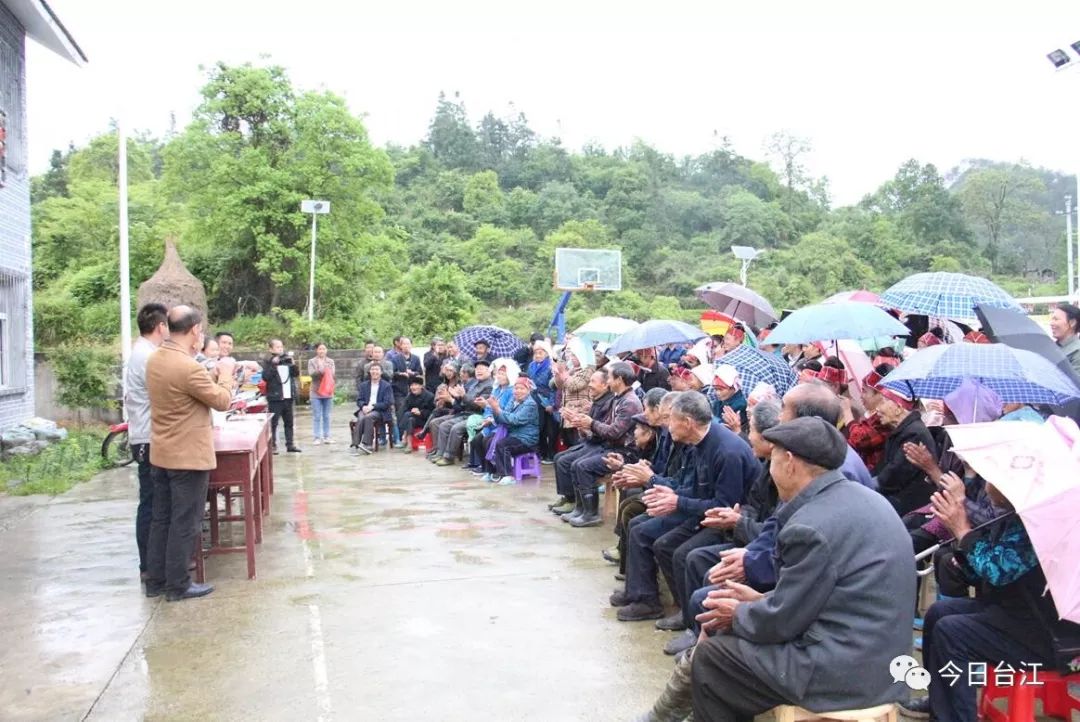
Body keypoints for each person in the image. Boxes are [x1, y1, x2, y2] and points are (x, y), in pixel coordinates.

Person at [689, 416, 916, 722]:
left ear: (790, 463)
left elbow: (783, 622)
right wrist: (757, 603)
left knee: (713, 659)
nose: (769, 468)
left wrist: (740, 613)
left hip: (845, 672)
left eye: (772, 460)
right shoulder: (867, 499)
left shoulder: (810, 527)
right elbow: (818, 599)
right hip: (885, 661)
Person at [911, 483, 1074, 722]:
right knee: (938, 613)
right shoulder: (1015, 518)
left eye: (992, 481)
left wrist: (963, 531)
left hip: (1052, 636)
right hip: (1019, 616)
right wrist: (962, 552)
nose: (986, 486)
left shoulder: (1042, 526)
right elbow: (983, 572)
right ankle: (939, 703)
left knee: (952, 632)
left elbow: (998, 572)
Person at [610, 392, 758, 622]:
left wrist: (675, 500)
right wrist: (669, 494)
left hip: (730, 523)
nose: (668, 427)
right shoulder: (697, 443)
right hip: (704, 512)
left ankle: (689, 615)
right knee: (645, 530)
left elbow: (724, 507)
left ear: (687, 423)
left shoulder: (727, 451)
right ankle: (649, 599)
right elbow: (693, 487)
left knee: (677, 551)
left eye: (671, 420)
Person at [144, 306, 236, 602]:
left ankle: (156, 580)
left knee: (162, 519)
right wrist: (225, 374)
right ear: (195, 330)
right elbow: (222, 401)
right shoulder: (188, 367)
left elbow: (182, 389)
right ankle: (178, 585)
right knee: (185, 521)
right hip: (187, 457)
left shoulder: (157, 358)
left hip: (162, 452)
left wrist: (207, 373)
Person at [561, 362, 644, 527]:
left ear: (619, 380)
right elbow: (602, 427)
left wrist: (590, 423)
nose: (608, 382)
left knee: (583, 466)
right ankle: (581, 508)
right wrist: (582, 424)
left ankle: (591, 514)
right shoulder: (618, 399)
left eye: (610, 378)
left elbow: (614, 432)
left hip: (625, 453)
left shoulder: (630, 403)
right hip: (610, 447)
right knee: (575, 463)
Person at [124, 302, 168, 583]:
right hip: (147, 438)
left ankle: (153, 564)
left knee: (154, 503)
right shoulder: (147, 356)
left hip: (149, 435)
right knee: (151, 504)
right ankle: (150, 567)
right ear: (160, 326)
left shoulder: (146, 352)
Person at [549, 369, 614, 514]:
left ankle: (576, 503)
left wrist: (588, 425)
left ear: (605, 385)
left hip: (601, 445)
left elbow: (606, 433)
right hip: (592, 442)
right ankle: (568, 497)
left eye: (593, 382)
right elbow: (590, 433)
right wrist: (579, 424)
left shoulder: (609, 403)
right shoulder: (597, 401)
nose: (589, 385)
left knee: (569, 462)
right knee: (559, 457)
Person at [874, 385, 938, 514]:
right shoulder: (903, 431)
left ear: (898, 407)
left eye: (882, 402)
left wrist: (870, 485)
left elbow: (893, 477)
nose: (877, 409)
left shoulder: (914, 434)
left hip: (913, 504)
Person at [481, 376, 541, 484]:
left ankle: (507, 475)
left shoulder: (530, 404)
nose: (518, 391)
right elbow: (502, 418)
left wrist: (498, 409)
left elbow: (515, 420)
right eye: (516, 388)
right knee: (488, 440)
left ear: (528, 391)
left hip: (526, 439)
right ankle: (491, 472)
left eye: (522, 389)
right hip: (513, 435)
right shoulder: (513, 400)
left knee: (503, 444)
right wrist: (495, 409)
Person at [432, 359, 493, 465]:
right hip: (465, 413)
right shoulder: (475, 384)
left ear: (489, 371)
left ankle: (449, 457)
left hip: (477, 416)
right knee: (442, 424)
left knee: (456, 428)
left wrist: (463, 396)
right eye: (477, 369)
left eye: (482, 369)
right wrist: (457, 397)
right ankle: (440, 453)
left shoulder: (489, 386)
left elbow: (477, 405)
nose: (478, 371)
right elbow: (463, 403)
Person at [553, 336, 595, 448]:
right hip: (568, 414)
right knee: (569, 444)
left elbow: (574, 386)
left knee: (578, 443)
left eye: (576, 355)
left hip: (580, 414)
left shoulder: (588, 369)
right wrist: (557, 374)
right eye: (572, 355)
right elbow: (560, 386)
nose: (573, 358)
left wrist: (564, 375)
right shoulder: (572, 370)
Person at [261, 339, 301, 454]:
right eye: (277, 347)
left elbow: (296, 374)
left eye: (281, 347)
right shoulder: (268, 362)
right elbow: (265, 377)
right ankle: (273, 446)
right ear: (271, 349)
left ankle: (290, 444)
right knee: (274, 423)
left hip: (288, 396)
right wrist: (274, 364)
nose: (280, 349)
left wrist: (293, 364)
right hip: (275, 397)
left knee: (289, 422)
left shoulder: (286, 360)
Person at [353, 362, 394, 454]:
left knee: (368, 417)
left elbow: (387, 402)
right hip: (365, 408)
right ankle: (356, 443)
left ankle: (367, 444)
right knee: (361, 416)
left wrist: (372, 406)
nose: (374, 372)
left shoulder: (386, 386)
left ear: (381, 372)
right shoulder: (364, 385)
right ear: (369, 372)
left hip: (379, 410)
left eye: (377, 370)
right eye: (373, 370)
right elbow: (359, 400)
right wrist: (363, 406)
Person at [528, 341, 559, 463]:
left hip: (548, 398)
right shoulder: (531, 366)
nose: (537, 355)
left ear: (546, 353)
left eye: (540, 352)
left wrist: (551, 403)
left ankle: (551, 454)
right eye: (535, 352)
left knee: (551, 429)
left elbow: (554, 386)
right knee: (539, 427)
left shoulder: (551, 366)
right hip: (535, 399)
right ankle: (542, 452)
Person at [390, 337, 422, 448]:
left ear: (411, 346)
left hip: (413, 390)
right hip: (400, 390)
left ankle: (409, 437)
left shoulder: (416, 359)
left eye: (408, 344)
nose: (406, 346)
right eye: (404, 344)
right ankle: (400, 437)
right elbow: (392, 373)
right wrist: (401, 374)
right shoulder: (395, 359)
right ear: (400, 346)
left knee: (411, 413)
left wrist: (412, 373)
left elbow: (420, 372)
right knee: (401, 412)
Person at [307, 342, 336, 445]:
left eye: (324, 349)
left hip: (328, 391)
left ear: (326, 350)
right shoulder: (311, 361)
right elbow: (312, 374)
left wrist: (325, 369)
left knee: (327, 415)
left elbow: (332, 374)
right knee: (317, 415)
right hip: (316, 392)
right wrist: (320, 370)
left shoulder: (330, 361)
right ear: (316, 350)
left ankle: (327, 436)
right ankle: (316, 437)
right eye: (320, 349)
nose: (322, 351)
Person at [398, 378, 435, 452]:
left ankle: (404, 437)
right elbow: (403, 409)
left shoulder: (429, 396)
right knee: (409, 419)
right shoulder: (409, 396)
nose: (413, 387)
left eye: (416, 385)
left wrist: (420, 412)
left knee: (408, 416)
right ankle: (409, 444)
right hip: (412, 419)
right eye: (411, 385)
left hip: (425, 420)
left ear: (421, 386)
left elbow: (432, 412)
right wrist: (412, 411)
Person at [710, 365, 748, 437]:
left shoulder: (741, 405)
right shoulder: (718, 402)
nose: (717, 393)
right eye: (715, 389)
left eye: (721, 389)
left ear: (733, 388)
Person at [1050, 303, 1080, 375]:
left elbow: (1075, 383)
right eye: (1052, 319)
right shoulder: (1052, 346)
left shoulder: (1077, 351)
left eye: (1056, 319)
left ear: (1072, 323)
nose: (1051, 323)